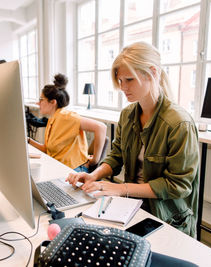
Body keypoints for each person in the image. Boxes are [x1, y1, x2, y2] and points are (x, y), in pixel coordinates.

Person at [67, 42, 199, 237]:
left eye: (129, 80)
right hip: (133, 204)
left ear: (152, 73)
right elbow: (116, 156)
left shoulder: (179, 124)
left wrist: (121, 189)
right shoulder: (128, 114)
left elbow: (177, 186)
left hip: (166, 216)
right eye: (120, 81)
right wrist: (94, 174)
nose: (123, 87)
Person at [28, 73, 107, 173]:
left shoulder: (67, 116)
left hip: (73, 169)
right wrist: (28, 140)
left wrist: (95, 160)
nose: (37, 103)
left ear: (53, 102)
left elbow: (101, 127)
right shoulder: (52, 119)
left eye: (41, 99)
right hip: (59, 167)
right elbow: (46, 149)